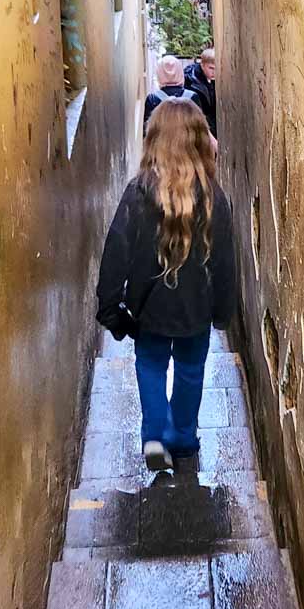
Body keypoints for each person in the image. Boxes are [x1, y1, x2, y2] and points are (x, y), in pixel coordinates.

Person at [96, 98, 236, 472]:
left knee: (151, 369)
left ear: (154, 138)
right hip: (196, 310)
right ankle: (185, 439)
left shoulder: (139, 191)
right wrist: (222, 312)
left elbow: (116, 252)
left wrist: (112, 310)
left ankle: (155, 441)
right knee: (191, 372)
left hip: (149, 311)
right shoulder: (214, 197)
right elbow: (224, 261)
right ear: (199, 140)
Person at [143, 53, 189, 133]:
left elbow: (147, 133)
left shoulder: (152, 99)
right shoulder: (192, 97)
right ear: (180, 72)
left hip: (162, 145)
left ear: (159, 73)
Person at [184, 45, 217, 138]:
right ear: (202, 65)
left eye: (216, 68)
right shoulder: (190, 80)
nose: (214, 72)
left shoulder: (215, 80)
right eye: (211, 68)